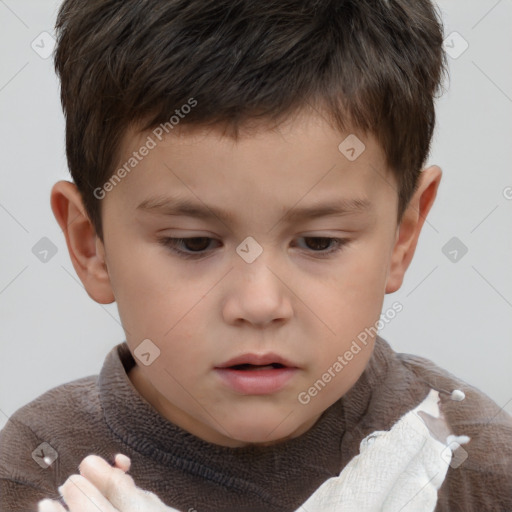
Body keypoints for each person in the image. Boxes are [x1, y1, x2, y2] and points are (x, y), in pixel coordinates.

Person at [1, 0, 511, 511]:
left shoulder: (472, 462)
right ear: (92, 246)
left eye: (319, 242)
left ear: (403, 235)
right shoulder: (32, 473)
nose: (260, 303)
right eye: (194, 243)